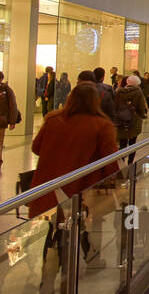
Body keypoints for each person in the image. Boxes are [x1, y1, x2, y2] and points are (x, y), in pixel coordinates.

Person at [28, 82, 119, 218]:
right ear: (96, 101)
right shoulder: (102, 125)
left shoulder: (53, 119)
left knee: (49, 232)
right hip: (82, 192)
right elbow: (111, 162)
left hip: (47, 190)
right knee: (76, 233)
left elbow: (36, 148)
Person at [0, 71, 18, 170]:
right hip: (2, 121)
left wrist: (12, 121)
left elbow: (13, 106)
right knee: (0, 141)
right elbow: (13, 106)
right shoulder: (7, 89)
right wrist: (12, 121)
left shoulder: (6, 89)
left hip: (2, 121)